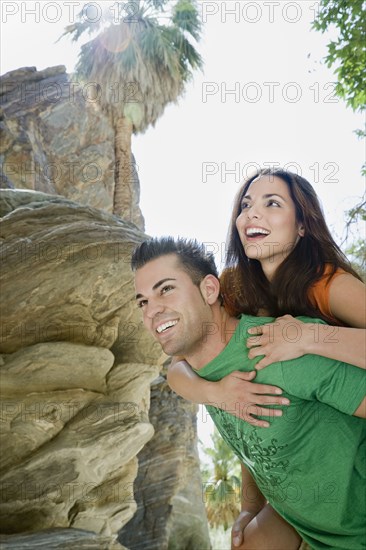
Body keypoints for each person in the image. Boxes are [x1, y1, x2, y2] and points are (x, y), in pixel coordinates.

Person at [132, 237, 366, 550]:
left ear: (210, 290)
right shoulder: (206, 377)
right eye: (143, 302)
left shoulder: (278, 350)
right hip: (306, 525)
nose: (152, 311)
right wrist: (250, 508)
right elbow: (252, 441)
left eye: (166, 289)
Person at [167, 168, 365, 433]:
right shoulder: (232, 285)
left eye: (272, 203)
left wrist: (306, 337)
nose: (251, 214)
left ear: (302, 225)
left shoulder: (329, 284)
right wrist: (217, 394)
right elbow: (178, 366)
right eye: (246, 205)